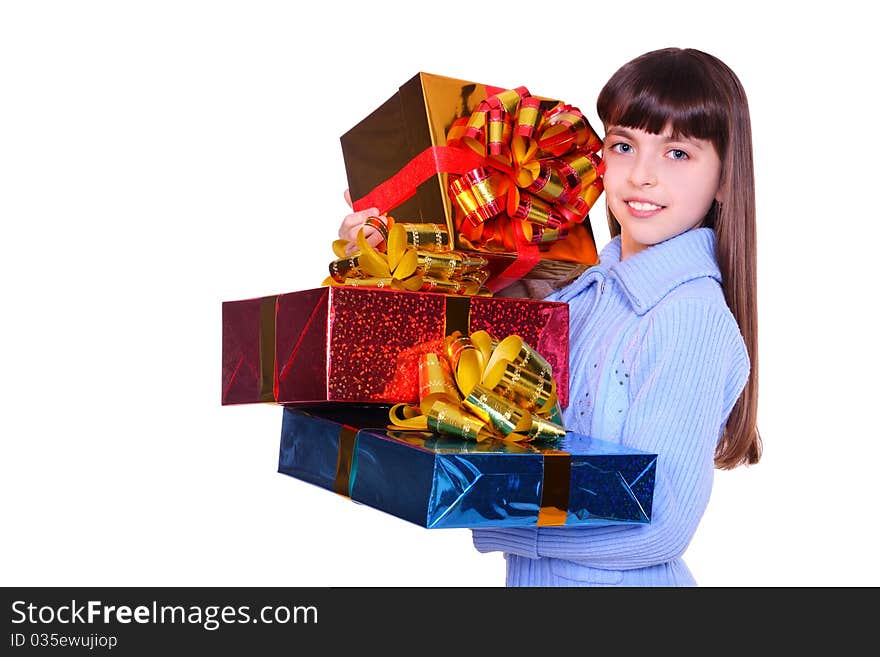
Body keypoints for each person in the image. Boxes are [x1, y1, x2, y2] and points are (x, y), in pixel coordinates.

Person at [338, 47, 761, 586]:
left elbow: (662, 524)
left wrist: (493, 522)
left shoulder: (690, 318)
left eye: (678, 153)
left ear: (726, 177)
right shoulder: (576, 298)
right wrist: (379, 254)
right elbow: (432, 363)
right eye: (624, 146)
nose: (642, 176)